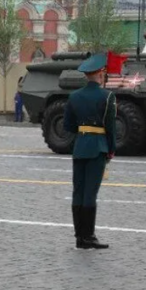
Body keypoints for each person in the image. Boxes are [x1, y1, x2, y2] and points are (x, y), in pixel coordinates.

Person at [63, 53, 116, 250]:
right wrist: (111, 150)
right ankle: (89, 236)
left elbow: (68, 126)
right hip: (98, 148)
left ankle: (79, 237)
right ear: (100, 74)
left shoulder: (74, 96)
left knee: (78, 192)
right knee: (90, 194)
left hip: (80, 147)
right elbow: (110, 126)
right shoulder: (107, 96)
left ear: (87, 75)